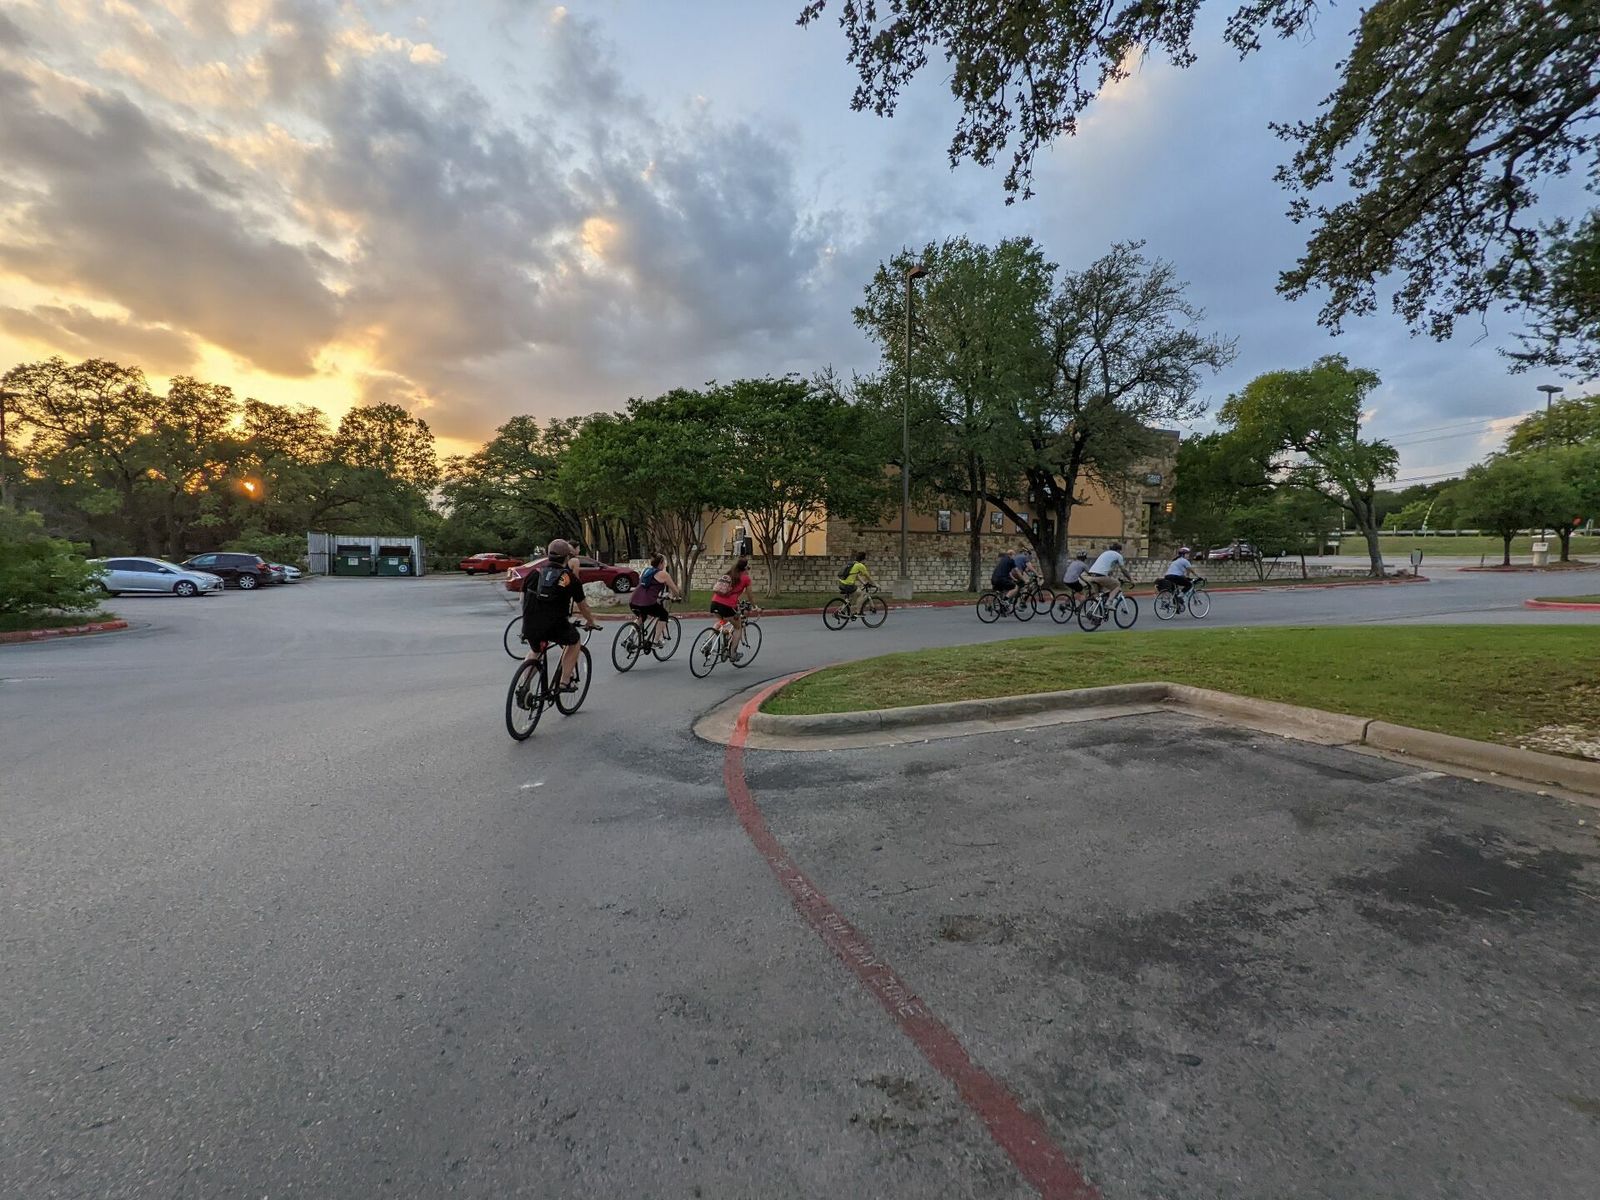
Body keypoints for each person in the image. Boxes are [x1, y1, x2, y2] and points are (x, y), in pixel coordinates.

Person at [521, 538, 599, 691]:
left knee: (535, 651)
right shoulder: (569, 578)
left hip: (530, 623)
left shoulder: (534, 573)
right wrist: (590, 621)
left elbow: (522, 599)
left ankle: (524, 686)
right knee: (574, 641)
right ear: (567, 557)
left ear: (548, 555)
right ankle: (565, 681)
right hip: (555, 625)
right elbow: (583, 606)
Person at [709, 555, 759, 659]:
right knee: (738, 627)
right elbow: (750, 595)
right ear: (745, 568)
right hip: (727, 606)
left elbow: (730, 591)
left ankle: (708, 642)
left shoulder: (729, 573)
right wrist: (755, 607)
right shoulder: (746, 578)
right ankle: (733, 654)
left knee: (721, 622)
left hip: (714, 603)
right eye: (748, 568)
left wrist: (737, 601)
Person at [629, 553, 680, 649]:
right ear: (661, 563)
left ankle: (630, 637)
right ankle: (656, 641)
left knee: (642, 616)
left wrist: (658, 595)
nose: (664, 564)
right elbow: (675, 590)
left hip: (633, 600)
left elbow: (646, 586)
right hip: (646, 603)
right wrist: (677, 597)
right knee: (663, 614)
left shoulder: (645, 570)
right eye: (664, 562)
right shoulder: (663, 574)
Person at [837, 550, 874, 615]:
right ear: (863, 559)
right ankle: (857, 612)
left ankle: (842, 612)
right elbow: (868, 576)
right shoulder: (860, 565)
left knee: (850, 598)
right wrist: (875, 584)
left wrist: (864, 583)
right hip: (848, 585)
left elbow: (856, 575)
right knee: (861, 594)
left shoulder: (853, 564)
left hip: (841, 583)